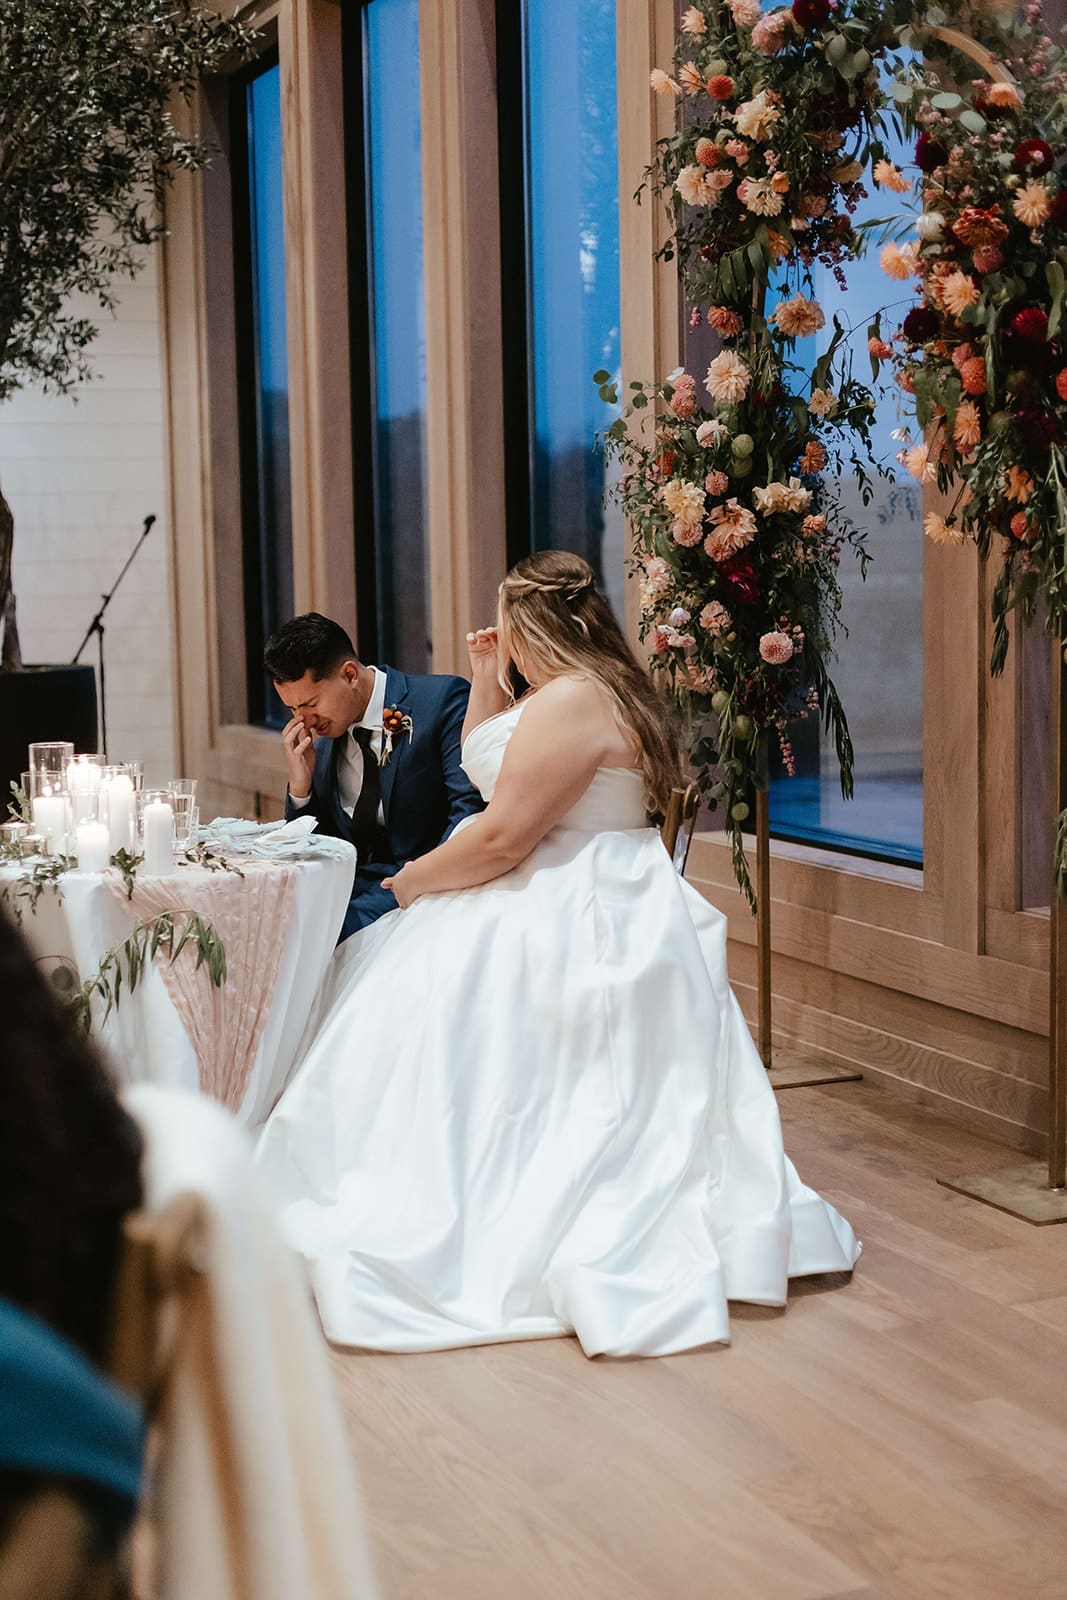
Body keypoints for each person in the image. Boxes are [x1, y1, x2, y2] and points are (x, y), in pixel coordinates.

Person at [255, 552, 860, 1358]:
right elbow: (488, 771)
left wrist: (408, 886)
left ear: (529, 626)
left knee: (421, 988)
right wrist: (484, 676)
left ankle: (466, 1198)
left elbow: (503, 836)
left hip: (580, 890)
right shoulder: (577, 692)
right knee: (399, 982)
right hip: (575, 868)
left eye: (503, 625)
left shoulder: (571, 702)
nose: (497, 638)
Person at [265, 613, 484, 939]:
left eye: (310, 704)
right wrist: (301, 786)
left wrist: (421, 879)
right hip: (343, 890)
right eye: (293, 710)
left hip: (418, 888)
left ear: (350, 675)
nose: (305, 721)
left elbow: (468, 813)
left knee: (300, 939)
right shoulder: (323, 741)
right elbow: (313, 848)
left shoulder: (440, 701)